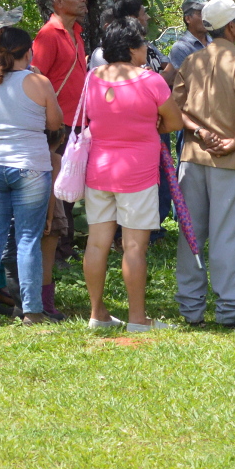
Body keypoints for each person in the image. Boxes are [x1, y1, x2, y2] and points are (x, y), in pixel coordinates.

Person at [80, 21, 180, 331]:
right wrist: (148, 129)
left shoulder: (93, 78)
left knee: (96, 244)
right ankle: (138, 318)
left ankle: (98, 314)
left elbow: (87, 117)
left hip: (98, 170)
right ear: (131, 49)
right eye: (143, 47)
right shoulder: (151, 81)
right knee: (135, 246)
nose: (146, 52)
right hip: (138, 172)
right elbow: (173, 121)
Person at [172, 0, 235, 327]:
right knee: (229, 235)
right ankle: (229, 310)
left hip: (192, 156)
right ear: (232, 26)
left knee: (191, 232)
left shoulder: (192, 61)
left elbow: (174, 109)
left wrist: (198, 130)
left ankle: (191, 309)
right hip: (229, 159)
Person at [0, 26, 63, 325]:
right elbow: (55, 122)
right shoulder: (38, 81)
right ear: (28, 50)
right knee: (28, 239)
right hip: (30, 164)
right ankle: (32, 311)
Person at [31, 0, 87, 264]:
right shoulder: (48, 35)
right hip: (55, 125)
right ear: (58, 2)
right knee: (54, 186)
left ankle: (63, 245)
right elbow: (35, 77)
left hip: (77, 124)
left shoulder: (76, 33)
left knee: (69, 185)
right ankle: (52, 247)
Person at [167, 0, 210, 72]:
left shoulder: (213, 41)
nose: (205, 17)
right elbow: (180, 81)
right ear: (188, 19)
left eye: (206, 13)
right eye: (200, 14)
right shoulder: (180, 49)